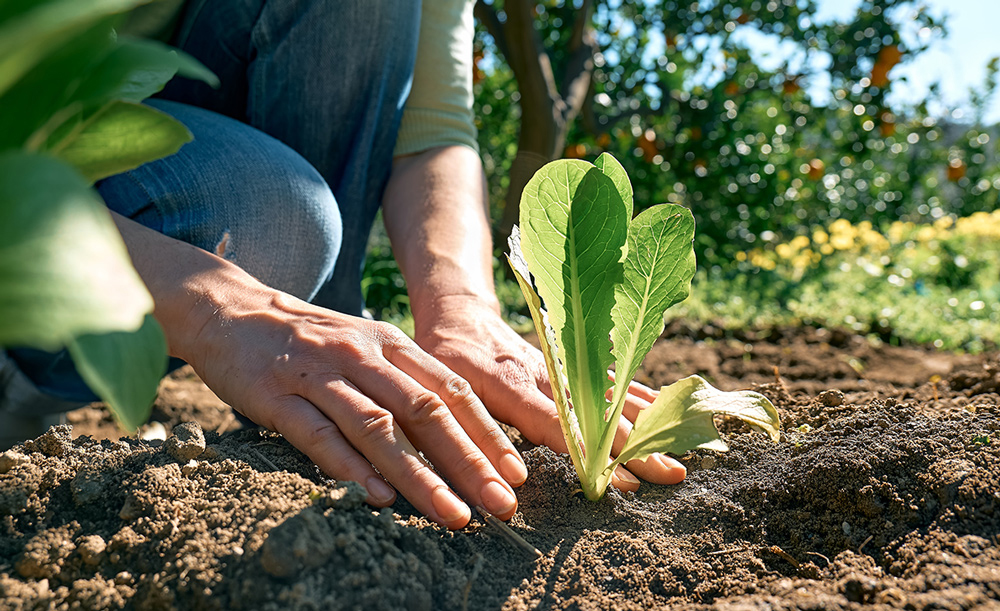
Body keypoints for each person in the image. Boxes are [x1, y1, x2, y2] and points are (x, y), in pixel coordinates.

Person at [0, 0, 685, 528]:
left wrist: (462, 312)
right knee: (289, 220)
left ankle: (329, 394)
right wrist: (216, 304)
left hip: (139, 159)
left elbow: (433, 131)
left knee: (289, 215)